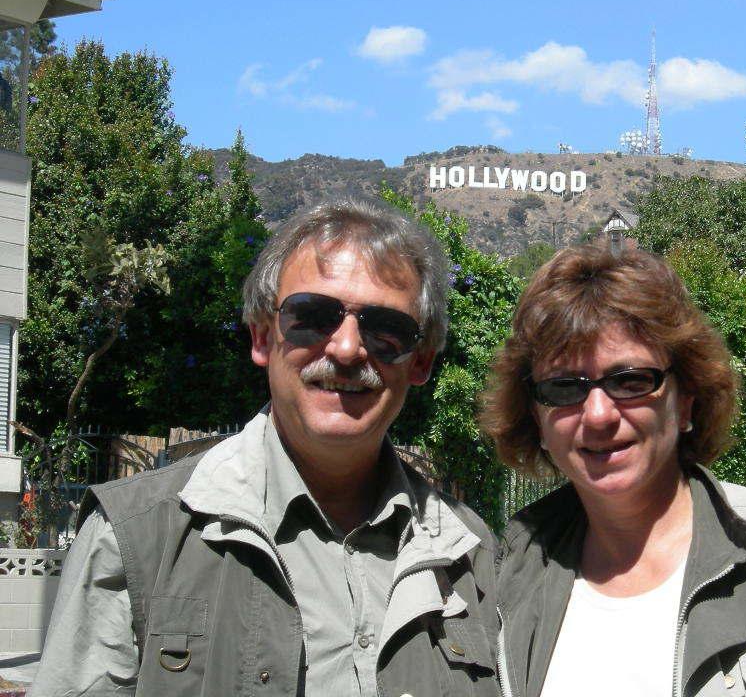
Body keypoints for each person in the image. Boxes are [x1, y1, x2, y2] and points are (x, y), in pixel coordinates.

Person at [35, 198, 500, 697]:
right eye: (313, 316)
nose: (346, 349)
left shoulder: (469, 555)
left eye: (386, 329)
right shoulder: (134, 536)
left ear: (421, 362)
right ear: (261, 336)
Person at [481, 244, 746, 697]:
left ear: (686, 400)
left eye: (630, 380)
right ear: (536, 417)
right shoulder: (500, 586)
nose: (597, 414)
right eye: (563, 387)